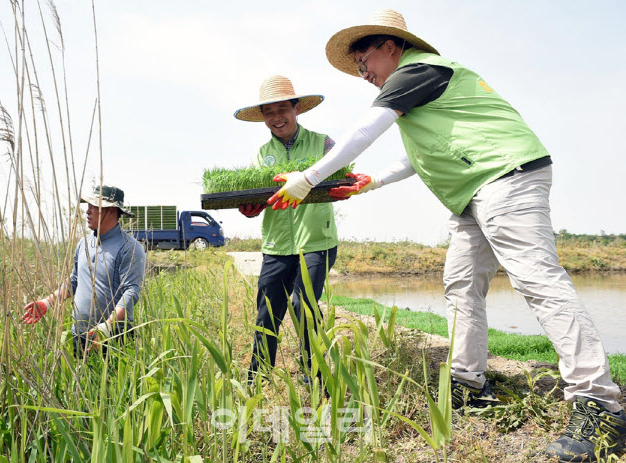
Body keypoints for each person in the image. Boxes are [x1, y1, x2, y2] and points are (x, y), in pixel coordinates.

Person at [267, 9, 625, 461]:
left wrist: (307, 178)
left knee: (538, 281)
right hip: (472, 192)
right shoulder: (422, 89)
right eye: (357, 67)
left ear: (391, 46)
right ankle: (469, 384)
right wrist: (372, 181)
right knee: (460, 286)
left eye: (364, 61)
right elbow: (423, 155)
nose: (363, 73)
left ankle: (600, 404)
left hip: (505, 177)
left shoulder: (418, 70)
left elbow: (366, 129)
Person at [234, 75, 338, 385]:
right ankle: (259, 374)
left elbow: (340, 177)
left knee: (302, 303)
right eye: (269, 112)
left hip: (316, 240)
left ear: (296, 108)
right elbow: (258, 201)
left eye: (283, 108)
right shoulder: (260, 155)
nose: (277, 117)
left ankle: (314, 373)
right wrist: (252, 208)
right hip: (277, 243)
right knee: (267, 309)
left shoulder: (324, 143)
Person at [22, 184, 146, 359]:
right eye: (88, 206)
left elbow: (131, 292)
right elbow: (74, 281)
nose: (87, 211)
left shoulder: (129, 247)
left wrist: (106, 327)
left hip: (113, 336)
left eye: (94, 206)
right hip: (80, 334)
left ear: (112, 211)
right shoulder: (84, 244)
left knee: (112, 385)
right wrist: (47, 302)